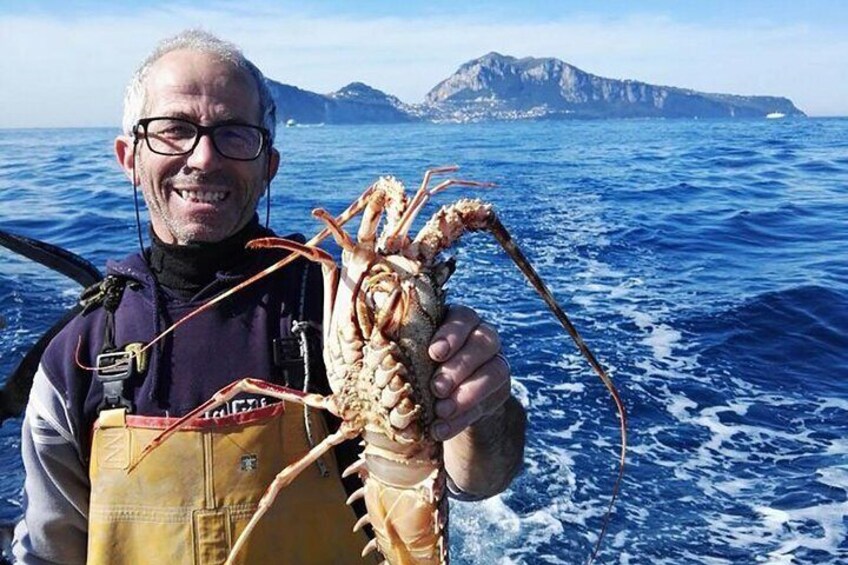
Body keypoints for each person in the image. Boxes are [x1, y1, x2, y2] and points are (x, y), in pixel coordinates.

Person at [12, 30, 526, 564]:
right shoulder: (78, 354)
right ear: (128, 157)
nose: (203, 157)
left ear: (269, 164)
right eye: (172, 130)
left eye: (234, 134)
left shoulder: (345, 304)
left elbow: (477, 479)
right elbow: (48, 551)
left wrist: (480, 411)